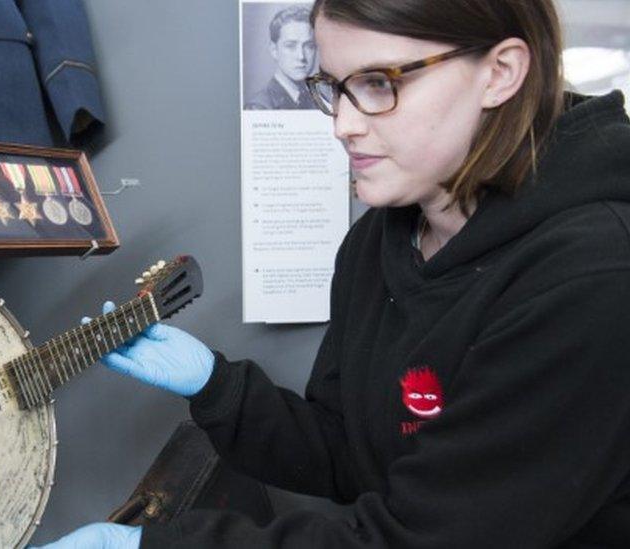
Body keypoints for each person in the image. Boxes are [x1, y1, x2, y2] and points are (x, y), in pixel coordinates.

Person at [36, 0, 630, 547]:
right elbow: (351, 453)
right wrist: (217, 387)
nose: (342, 124)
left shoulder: (591, 275)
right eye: (333, 86)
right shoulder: (379, 239)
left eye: (378, 83)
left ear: (500, 73)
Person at [244, 5, 319, 110]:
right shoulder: (259, 107)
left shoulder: (320, 103)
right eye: (290, 46)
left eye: (309, 46)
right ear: (274, 50)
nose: (301, 56)